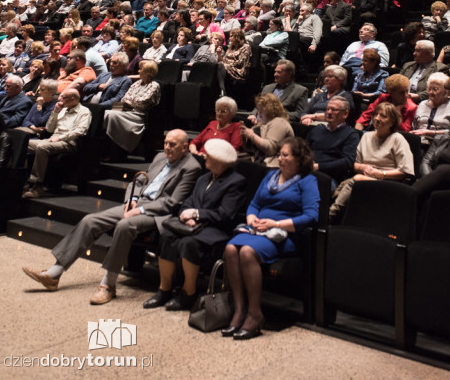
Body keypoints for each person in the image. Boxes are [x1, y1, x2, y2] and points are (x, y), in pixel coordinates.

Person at [22, 130, 201, 304]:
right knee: (90, 220)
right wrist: (132, 200)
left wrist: (139, 211)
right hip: (138, 202)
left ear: (184, 147)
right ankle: (54, 273)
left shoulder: (191, 167)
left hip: (158, 213)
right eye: (166, 143)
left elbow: (172, 202)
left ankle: (108, 284)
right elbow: (139, 181)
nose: (167, 147)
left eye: (173, 144)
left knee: (125, 225)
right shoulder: (160, 157)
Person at [224, 137, 320, 339]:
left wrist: (274, 224)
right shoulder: (270, 176)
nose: (280, 159)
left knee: (248, 252)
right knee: (231, 249)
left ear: (299, 159)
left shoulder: (307, 181)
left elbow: (311, 216)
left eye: (285, 155)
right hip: (258, 229)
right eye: (280, 155)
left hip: (283, 235)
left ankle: (255, 313)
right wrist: (252, 219)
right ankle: (239, 309)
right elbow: (255, 204)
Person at [144, 139, 246, 311]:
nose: (204, 156)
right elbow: (188, 202)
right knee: (167, 236)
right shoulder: (204, 178)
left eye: (209, 155)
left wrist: (197, 214)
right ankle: (164, 289)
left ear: (220, 161)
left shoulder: (235, 182)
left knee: (188, 243)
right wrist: (186, 216)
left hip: (216, 229)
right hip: (193, 225)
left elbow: (225, 214)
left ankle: (188, 293)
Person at [330, 102, 414, 221]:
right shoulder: (366, 136)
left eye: (383, 116)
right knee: (355, 179)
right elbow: (355, 164)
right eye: (376, 115)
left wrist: (379, 174)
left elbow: (404, 172)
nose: (377, 118)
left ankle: (331, 214)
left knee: (356, 180)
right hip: (365, 178)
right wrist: (363, 168)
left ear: (392, 122)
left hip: (390, 182)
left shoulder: (398, 139)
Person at [23, 89, 92, 198]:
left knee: (42, 147)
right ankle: (22, 180)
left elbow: (80, 131)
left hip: (69, 142)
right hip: (52, 139)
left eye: (63, 97)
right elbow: (49, 129)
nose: (59, 99)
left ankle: (36, 185)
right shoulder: (62, 110)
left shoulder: (84, 111)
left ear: (72, 98)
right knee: (24, 143)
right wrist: (55, 113)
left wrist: (60, 137)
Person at [104, 60, 161, 153]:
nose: (138, 71)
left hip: (138, 115)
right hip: (127, 110)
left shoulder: (154, 85)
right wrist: (132, 101)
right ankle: (106, 148)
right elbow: (124, 98)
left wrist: (131, 101)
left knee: (111, 115)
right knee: (106, 113)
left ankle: (116, 149)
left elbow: (144, 101)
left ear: (147, 72)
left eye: (141, 69)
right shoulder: (137, 83)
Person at [306, 97, 359, 186]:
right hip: (308, 171)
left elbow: (347, 162)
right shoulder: (317, 129)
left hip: (330, 177)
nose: (329, 112)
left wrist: (319, 167)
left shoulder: (351, 135)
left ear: (345, 114)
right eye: (328, 109)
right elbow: (304, 150)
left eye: (334, 110)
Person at [241, 93, 294, 167]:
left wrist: (252, 135)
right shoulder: (262, 123)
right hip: (258, 161)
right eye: (258, 110)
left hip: (272, 165)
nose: (259, 114)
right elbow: (249, 149)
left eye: (262, 110)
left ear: (271, 109)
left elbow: (270, 150)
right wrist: (244, 136)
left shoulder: (279, 122)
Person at [253, 59, 307, 125]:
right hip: (259, 122)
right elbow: (258, 107)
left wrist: (276, 115)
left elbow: (299, 113)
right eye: (275, 72)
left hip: (280, 124)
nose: (275, 74)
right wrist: (253, 115)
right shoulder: (267, 88)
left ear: (289, 74)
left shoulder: (300, 91)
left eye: (279, 72)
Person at [410, 73, 450, 141]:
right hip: (419, 142)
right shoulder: (422, 104)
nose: (431, 92)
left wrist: (432, 133)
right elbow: (414, 126)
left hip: (441, 144)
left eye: (435, 89)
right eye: (429, 89)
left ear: (445, 92)